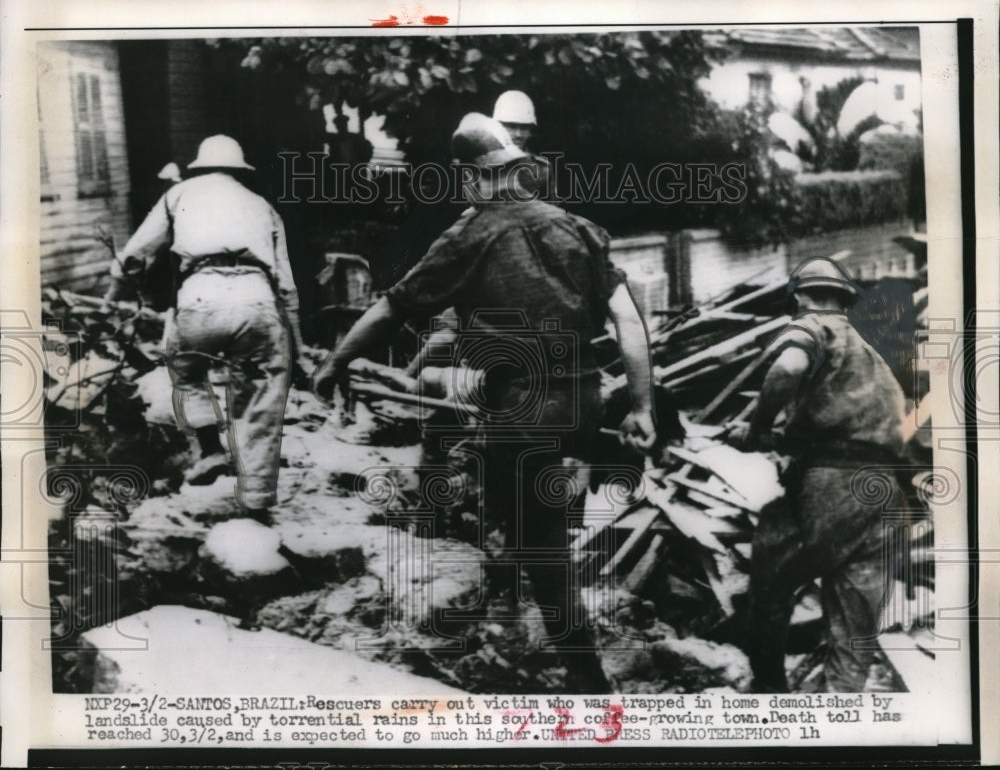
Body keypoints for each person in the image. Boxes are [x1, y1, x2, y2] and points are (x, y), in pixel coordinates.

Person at [313, 113, 656, 692]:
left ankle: (584, 677)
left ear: (471, 178)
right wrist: (642, 407)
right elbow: (628, 320)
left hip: (522, 410)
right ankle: (517, 613)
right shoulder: (578, 228)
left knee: (533, 537)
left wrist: (334, 362)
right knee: (524, 507)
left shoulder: (468, 235)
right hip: (583, 400)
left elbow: (391, 309)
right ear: (520, 173)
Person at [727, 256, 906, 692]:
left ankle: (769, 691)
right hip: (885, 493)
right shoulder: (871, 349)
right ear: (844, 297)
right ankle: (838, 721)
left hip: (834, 485)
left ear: (801, 297)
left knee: (770, 573)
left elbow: (788, 367)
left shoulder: (815, 326)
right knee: (853, 627)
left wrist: (757, 428)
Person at [117, 135, 304, 524]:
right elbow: (286, 285)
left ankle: (210, 448)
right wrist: (296, 346)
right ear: (240, 170)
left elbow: (134, 254)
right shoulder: (263, 207)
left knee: (184, 371)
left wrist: (115, 284)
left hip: (199, 298)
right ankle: (256, 503)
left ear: (199, 166)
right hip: (257, 301)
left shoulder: (178, 194)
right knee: (262, 397)